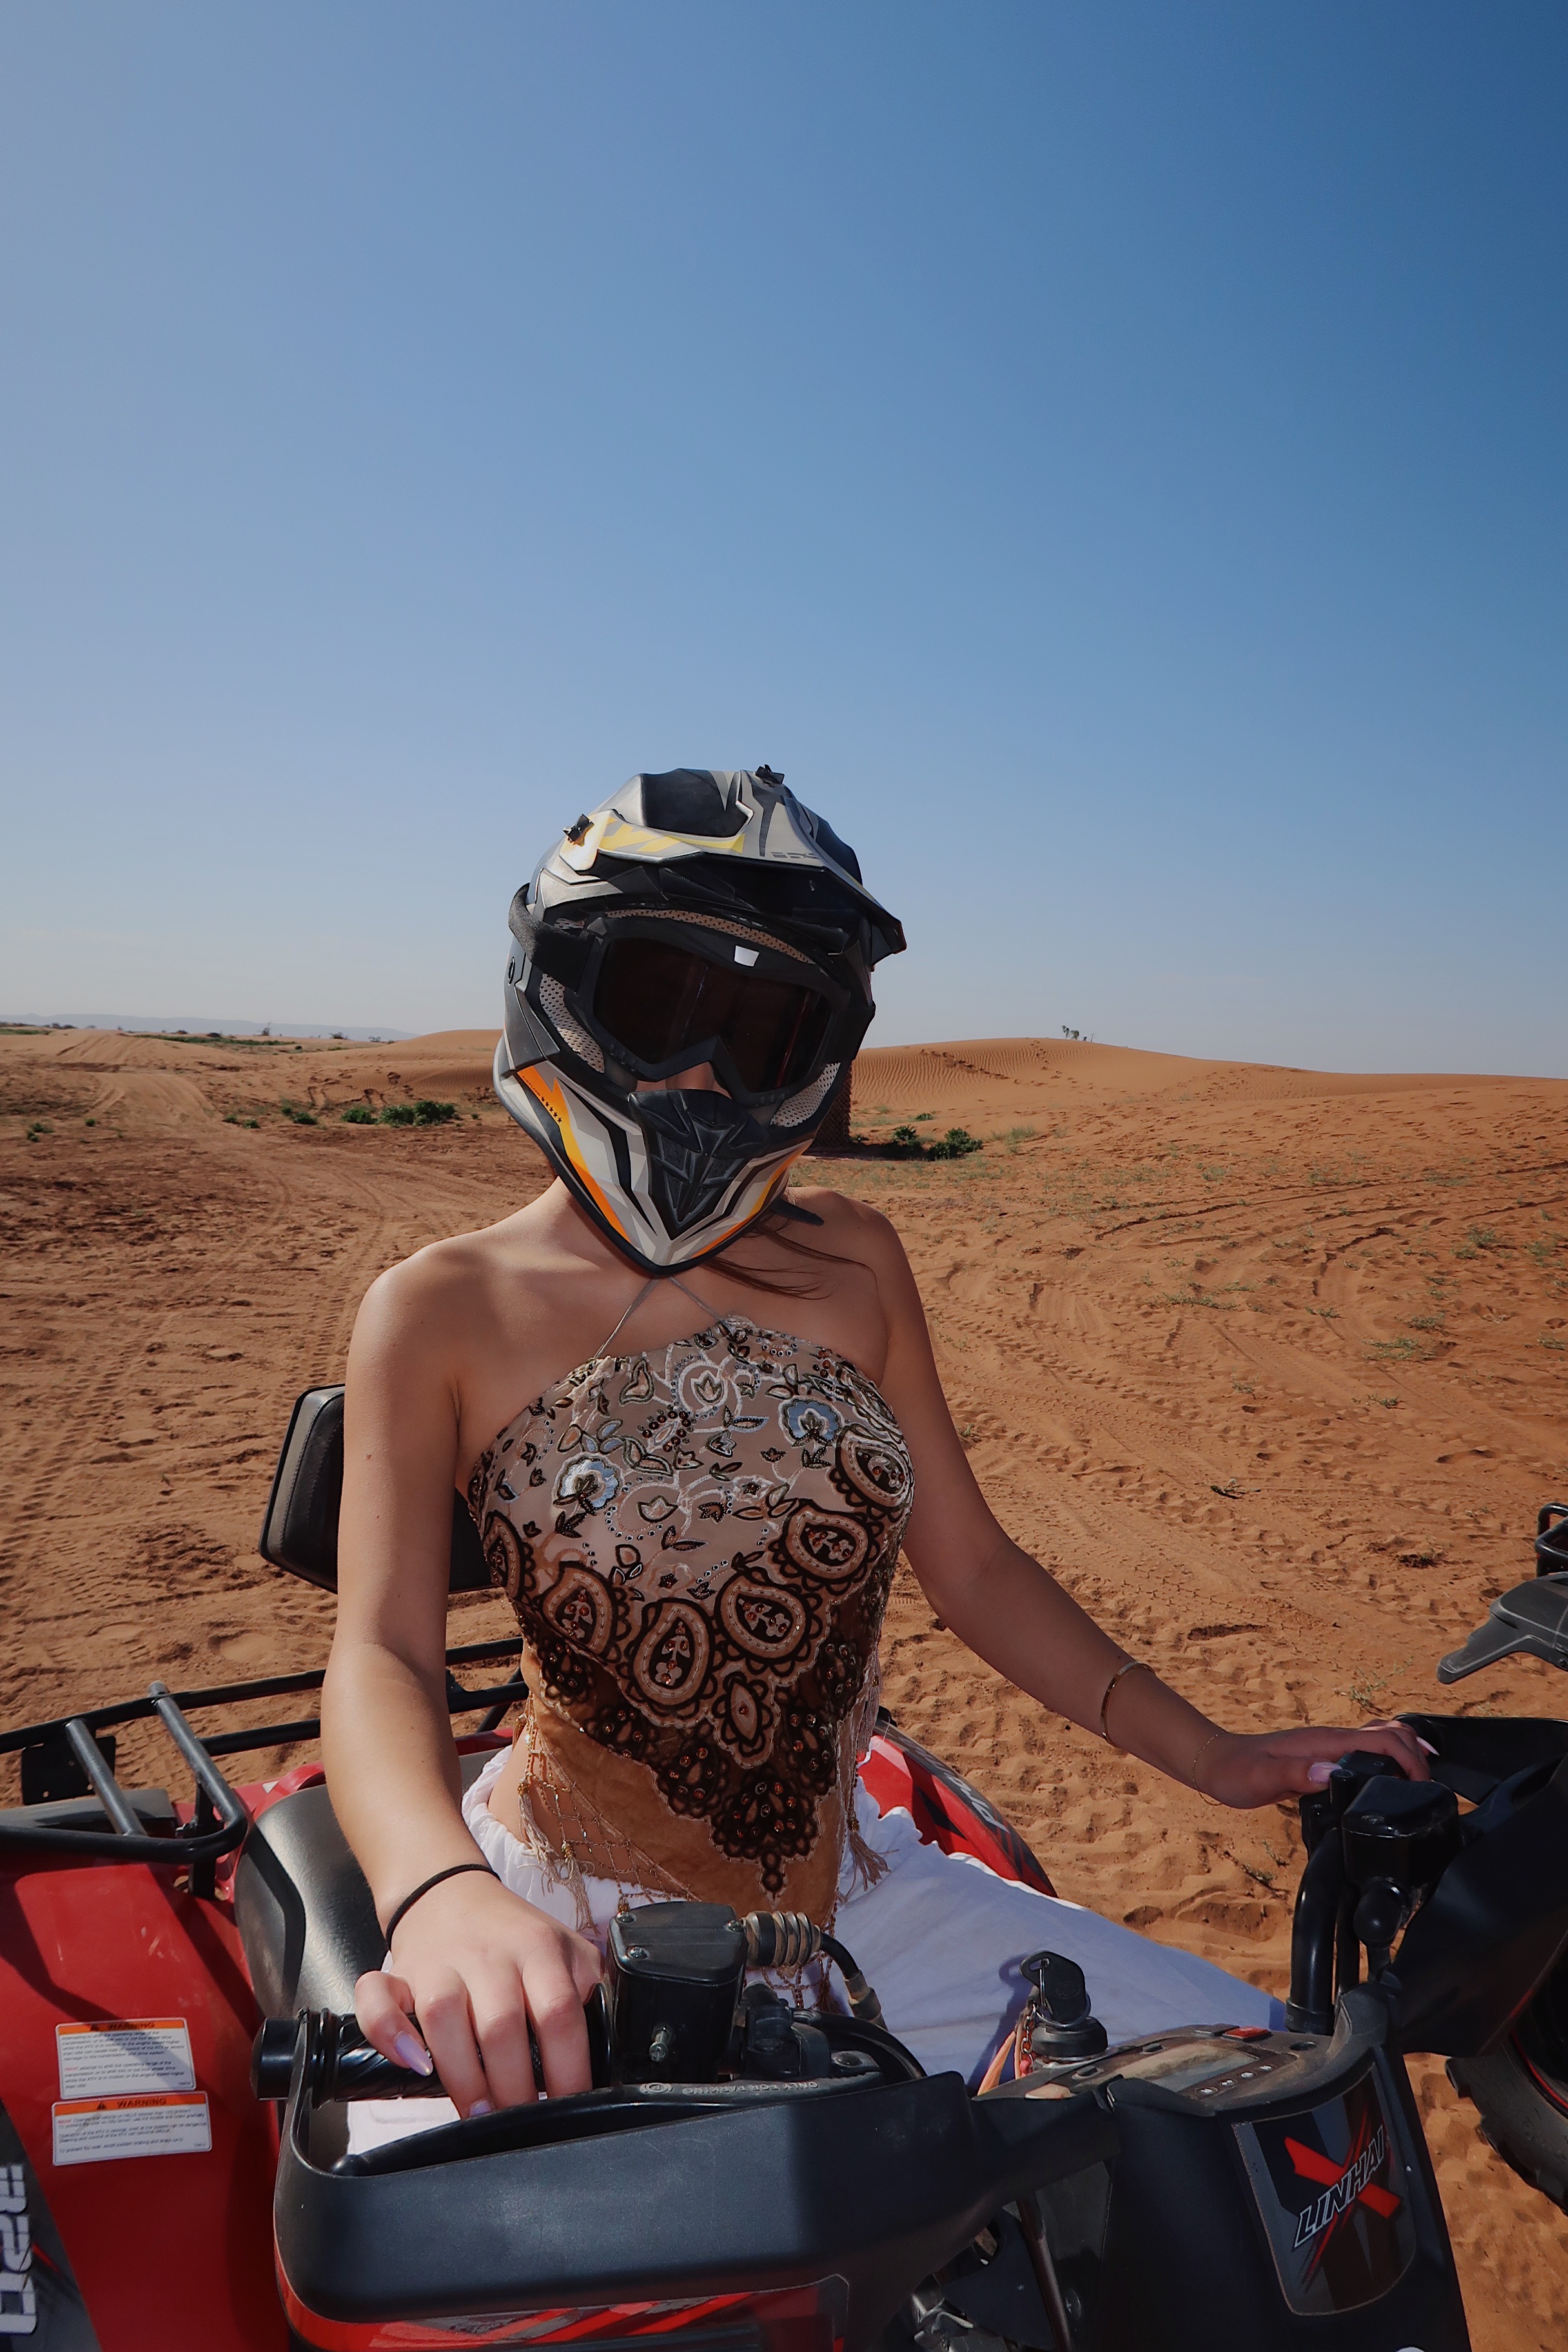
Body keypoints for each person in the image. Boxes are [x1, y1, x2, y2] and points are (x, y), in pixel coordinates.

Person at [322, 765, 1427, 2129]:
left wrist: (1213, 1756)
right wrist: (442, 1902)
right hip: (559, 1915)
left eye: (766, 1029)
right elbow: (382, 1650)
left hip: (860, 1909)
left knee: (1289, 2112)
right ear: (556, 986)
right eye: (663, 1001)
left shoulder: (855, 1259)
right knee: (462, 2290)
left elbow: (969, 1566)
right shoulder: (440, 1307)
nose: (702, 1072)